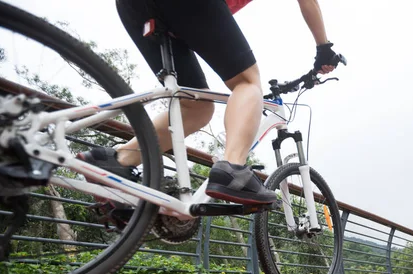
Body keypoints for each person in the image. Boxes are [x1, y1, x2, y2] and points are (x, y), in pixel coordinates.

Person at [78, 0, 341, 205]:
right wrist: (324, 48)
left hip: (133, 7)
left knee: (197, 106)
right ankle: (233, 171)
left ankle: (119, 159)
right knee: (247, 83)